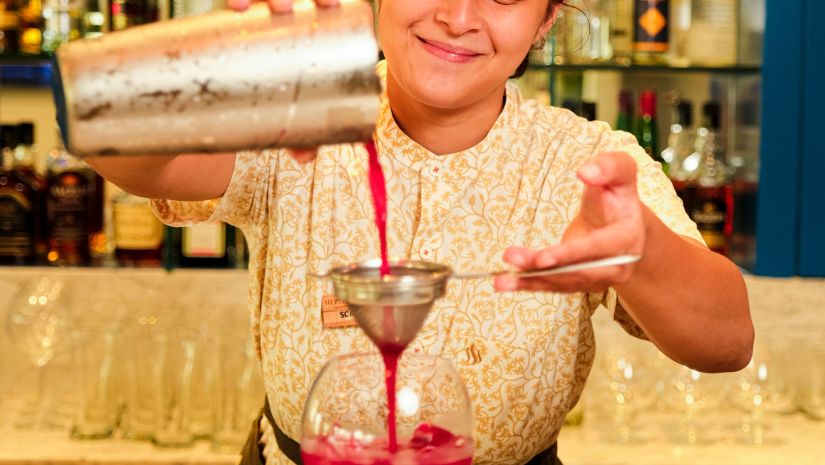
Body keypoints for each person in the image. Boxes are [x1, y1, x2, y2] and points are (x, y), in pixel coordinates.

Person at [88, 0, 754, 463]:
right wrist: (211, 59)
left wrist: (638, 251)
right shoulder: (303, 115)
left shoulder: (579, 161)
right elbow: (110, 139)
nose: (457, 18)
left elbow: (726, 342)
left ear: (544, 19)